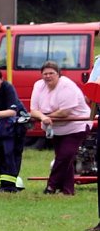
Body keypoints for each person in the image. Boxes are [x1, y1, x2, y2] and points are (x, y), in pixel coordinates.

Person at [30, 61, 91, 195]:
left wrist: (47, 117)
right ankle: (68, 190)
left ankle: (51, 186)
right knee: (64, 158)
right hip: (55, 127)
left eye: (51, 73)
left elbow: (65, 112)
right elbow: (33, 110)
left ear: (58, 74)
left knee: (65, 155)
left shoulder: (67, 86)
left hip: (76, 125)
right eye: (45, 74)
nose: (48, 76)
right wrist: (42, 117)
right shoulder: (38, 86)